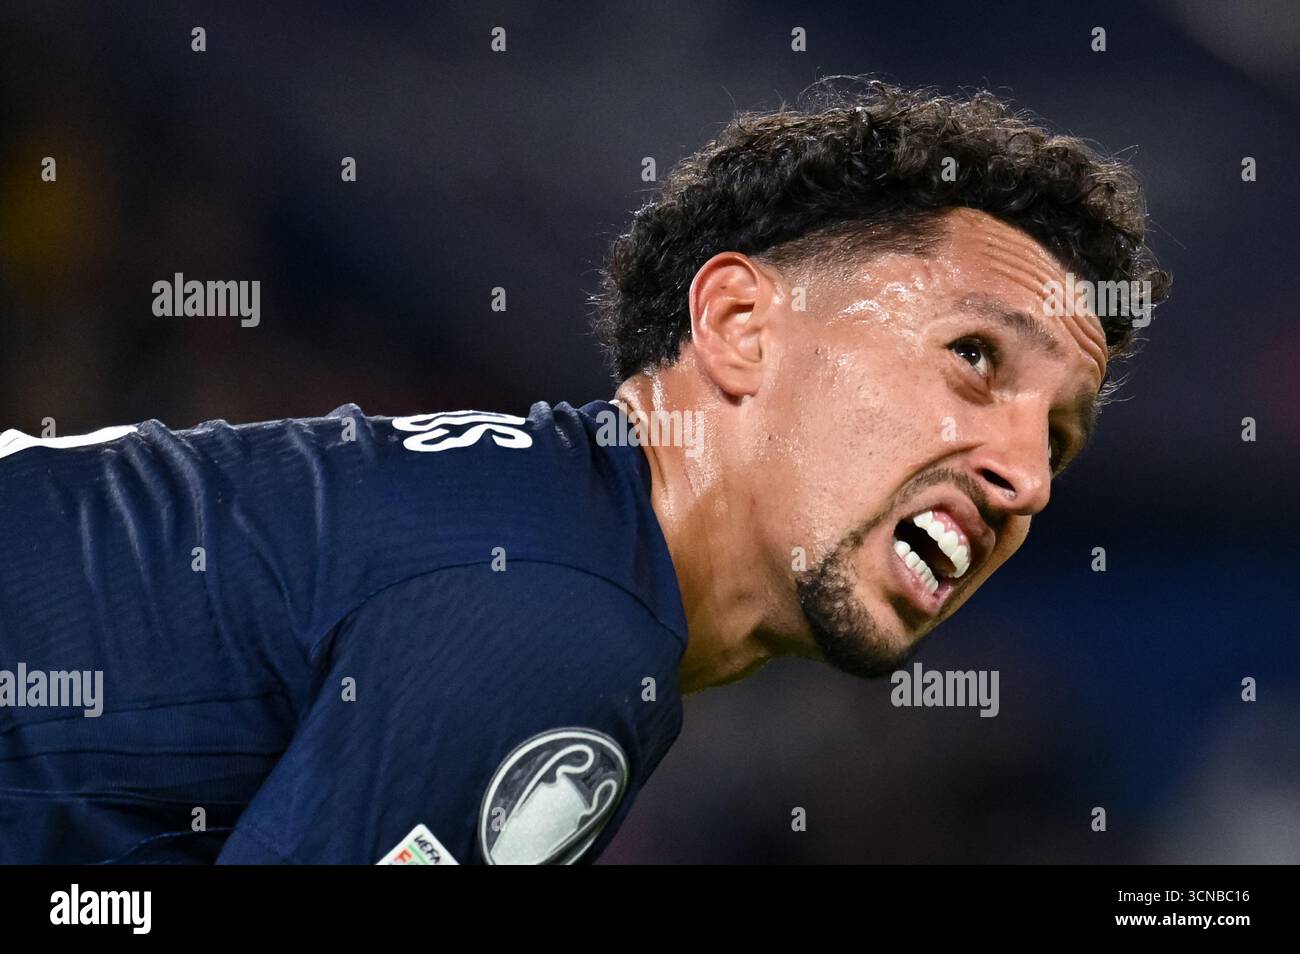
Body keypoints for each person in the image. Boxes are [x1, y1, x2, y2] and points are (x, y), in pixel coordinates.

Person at [0, 79, 1168, 864]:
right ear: (740, 327)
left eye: (1056, 440)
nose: (1026, 479)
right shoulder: (568, 624)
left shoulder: (535, 537)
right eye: (972, 359)